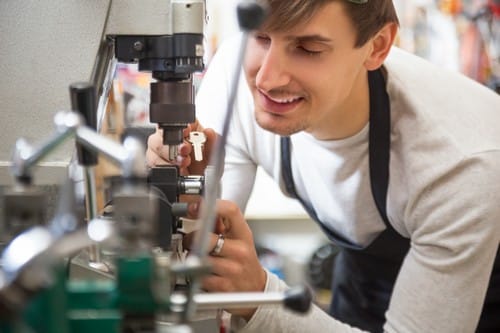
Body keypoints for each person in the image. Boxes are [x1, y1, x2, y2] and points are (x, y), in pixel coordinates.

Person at [147, 0, 500, 332]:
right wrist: (177, 182)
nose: (268, 79)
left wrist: (261, 296)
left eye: (308, 49)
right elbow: (198, 246)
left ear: (376, 47)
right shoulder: (237, 78)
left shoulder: (459, 165)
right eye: (261, 37)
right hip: (363, 277)